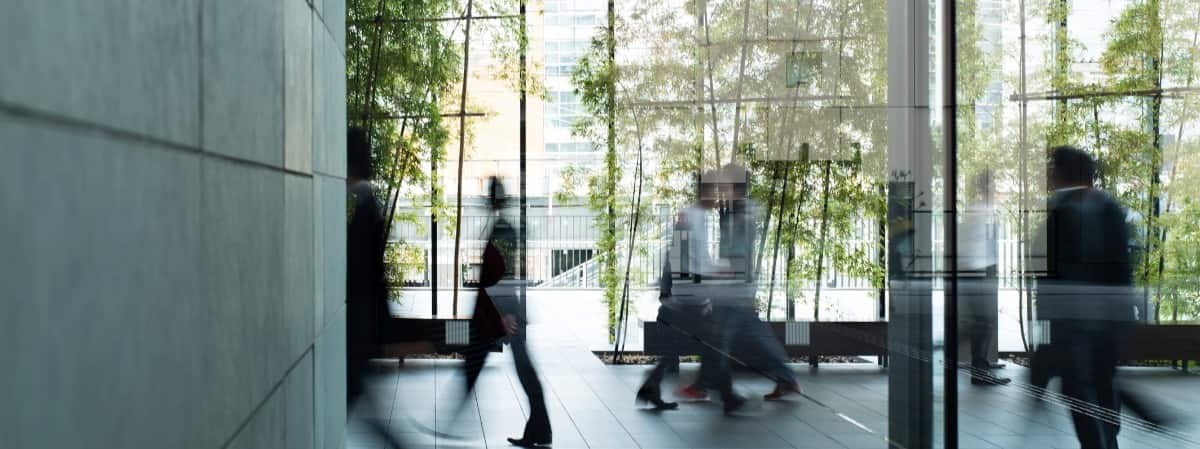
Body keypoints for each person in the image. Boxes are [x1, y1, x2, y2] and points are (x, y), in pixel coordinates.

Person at [1031, 146, 1138, 449]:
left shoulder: (1061, 211)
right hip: (1106, 316)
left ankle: (1098, 443)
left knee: (1078, 387)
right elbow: (1123, 266)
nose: (1049, 175)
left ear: (1063, 174)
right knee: (1103, 381)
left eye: (1052, 169)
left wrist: (1046, 314)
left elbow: (1044, 268)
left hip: (1072, 319)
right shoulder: (1111, 208)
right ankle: (1108, 439)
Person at [457, 176, 552, 447]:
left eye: (489, 196)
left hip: (503, 314)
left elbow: (506, 273)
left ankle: (455, 420)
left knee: (518, 369)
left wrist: (506, 313)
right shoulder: (502, 226)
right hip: (501, 312)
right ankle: (541, 432)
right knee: (520, 369)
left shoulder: (502, 229)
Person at [345, 127, 409, 449]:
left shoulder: (367, 207)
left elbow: (364, 273)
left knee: (359, 408)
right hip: (364, 325)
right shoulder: (368, 204)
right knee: (365, 412)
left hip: (360, 326)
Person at [957, 170, 1010, 386]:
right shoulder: (981, 210)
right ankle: (978, 368)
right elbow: (976, 244)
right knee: (985, 321)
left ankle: (980, 366)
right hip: (978, 271)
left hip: (977, 270)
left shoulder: (978, 209)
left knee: (984, 321)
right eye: (993, 184)